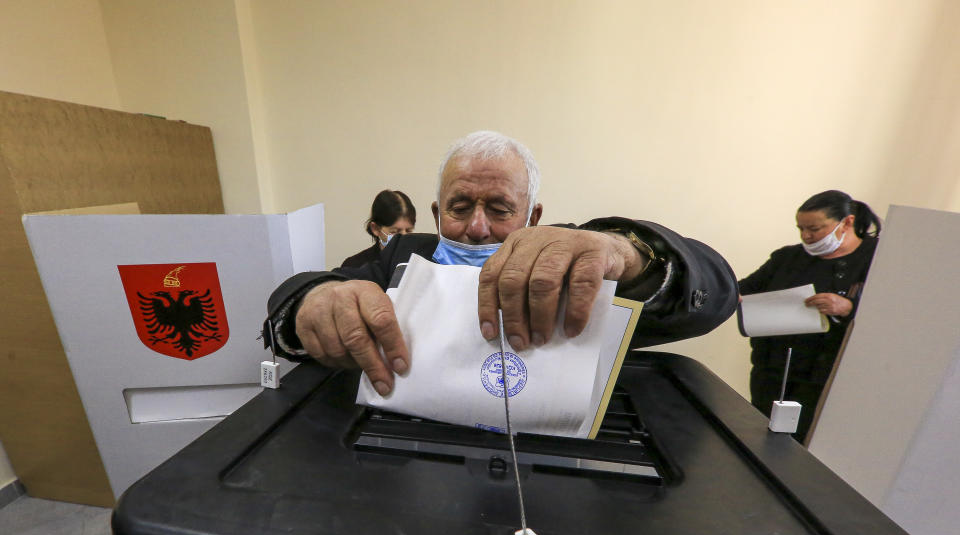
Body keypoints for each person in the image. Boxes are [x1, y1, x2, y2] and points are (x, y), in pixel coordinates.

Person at [265, 130, 738, 398]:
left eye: (499, 209)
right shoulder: (398, 257)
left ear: (533, 216)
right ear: (435, 214)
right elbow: (312, 292)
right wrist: (316, 301)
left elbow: (715, 294)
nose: (476, 228)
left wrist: (627, 254)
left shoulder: (577, 259)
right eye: (459, 206)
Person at [738, 190, 882, 443]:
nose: (806, 236)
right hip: (773, 366)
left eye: (815, 229)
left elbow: (895, 312)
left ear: (847, 222)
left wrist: (848, 307)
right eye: (800, 229)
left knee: (807, 441)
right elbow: (742, 290)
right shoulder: (787, 257)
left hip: (828, 373)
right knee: (762, 434)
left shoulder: (879, 258)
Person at [341, 189, 417, 268]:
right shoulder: (354, 266)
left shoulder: (419, 264)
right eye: (394, 231)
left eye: (409, 231)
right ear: (375, 229)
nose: (404, 237)